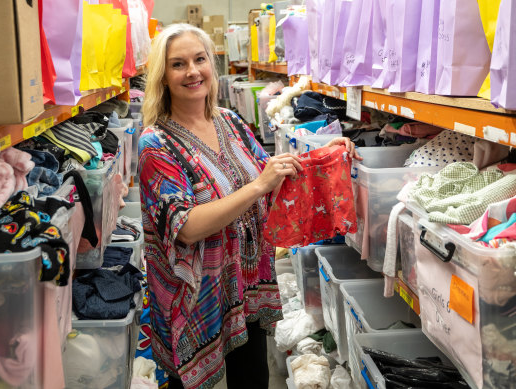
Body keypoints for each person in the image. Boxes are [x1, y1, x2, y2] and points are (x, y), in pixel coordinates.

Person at [138, 23, 360, 389]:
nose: (193, 71)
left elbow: (276, 182)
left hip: (245, 282)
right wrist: (258, 185)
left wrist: (326, 153)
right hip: (193, 296)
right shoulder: (155, 144)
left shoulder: (230, 121)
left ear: (212, 63)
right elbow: (188, 226)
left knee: (252, 377)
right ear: (162, 77)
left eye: (199, 59)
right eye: (178, 64)